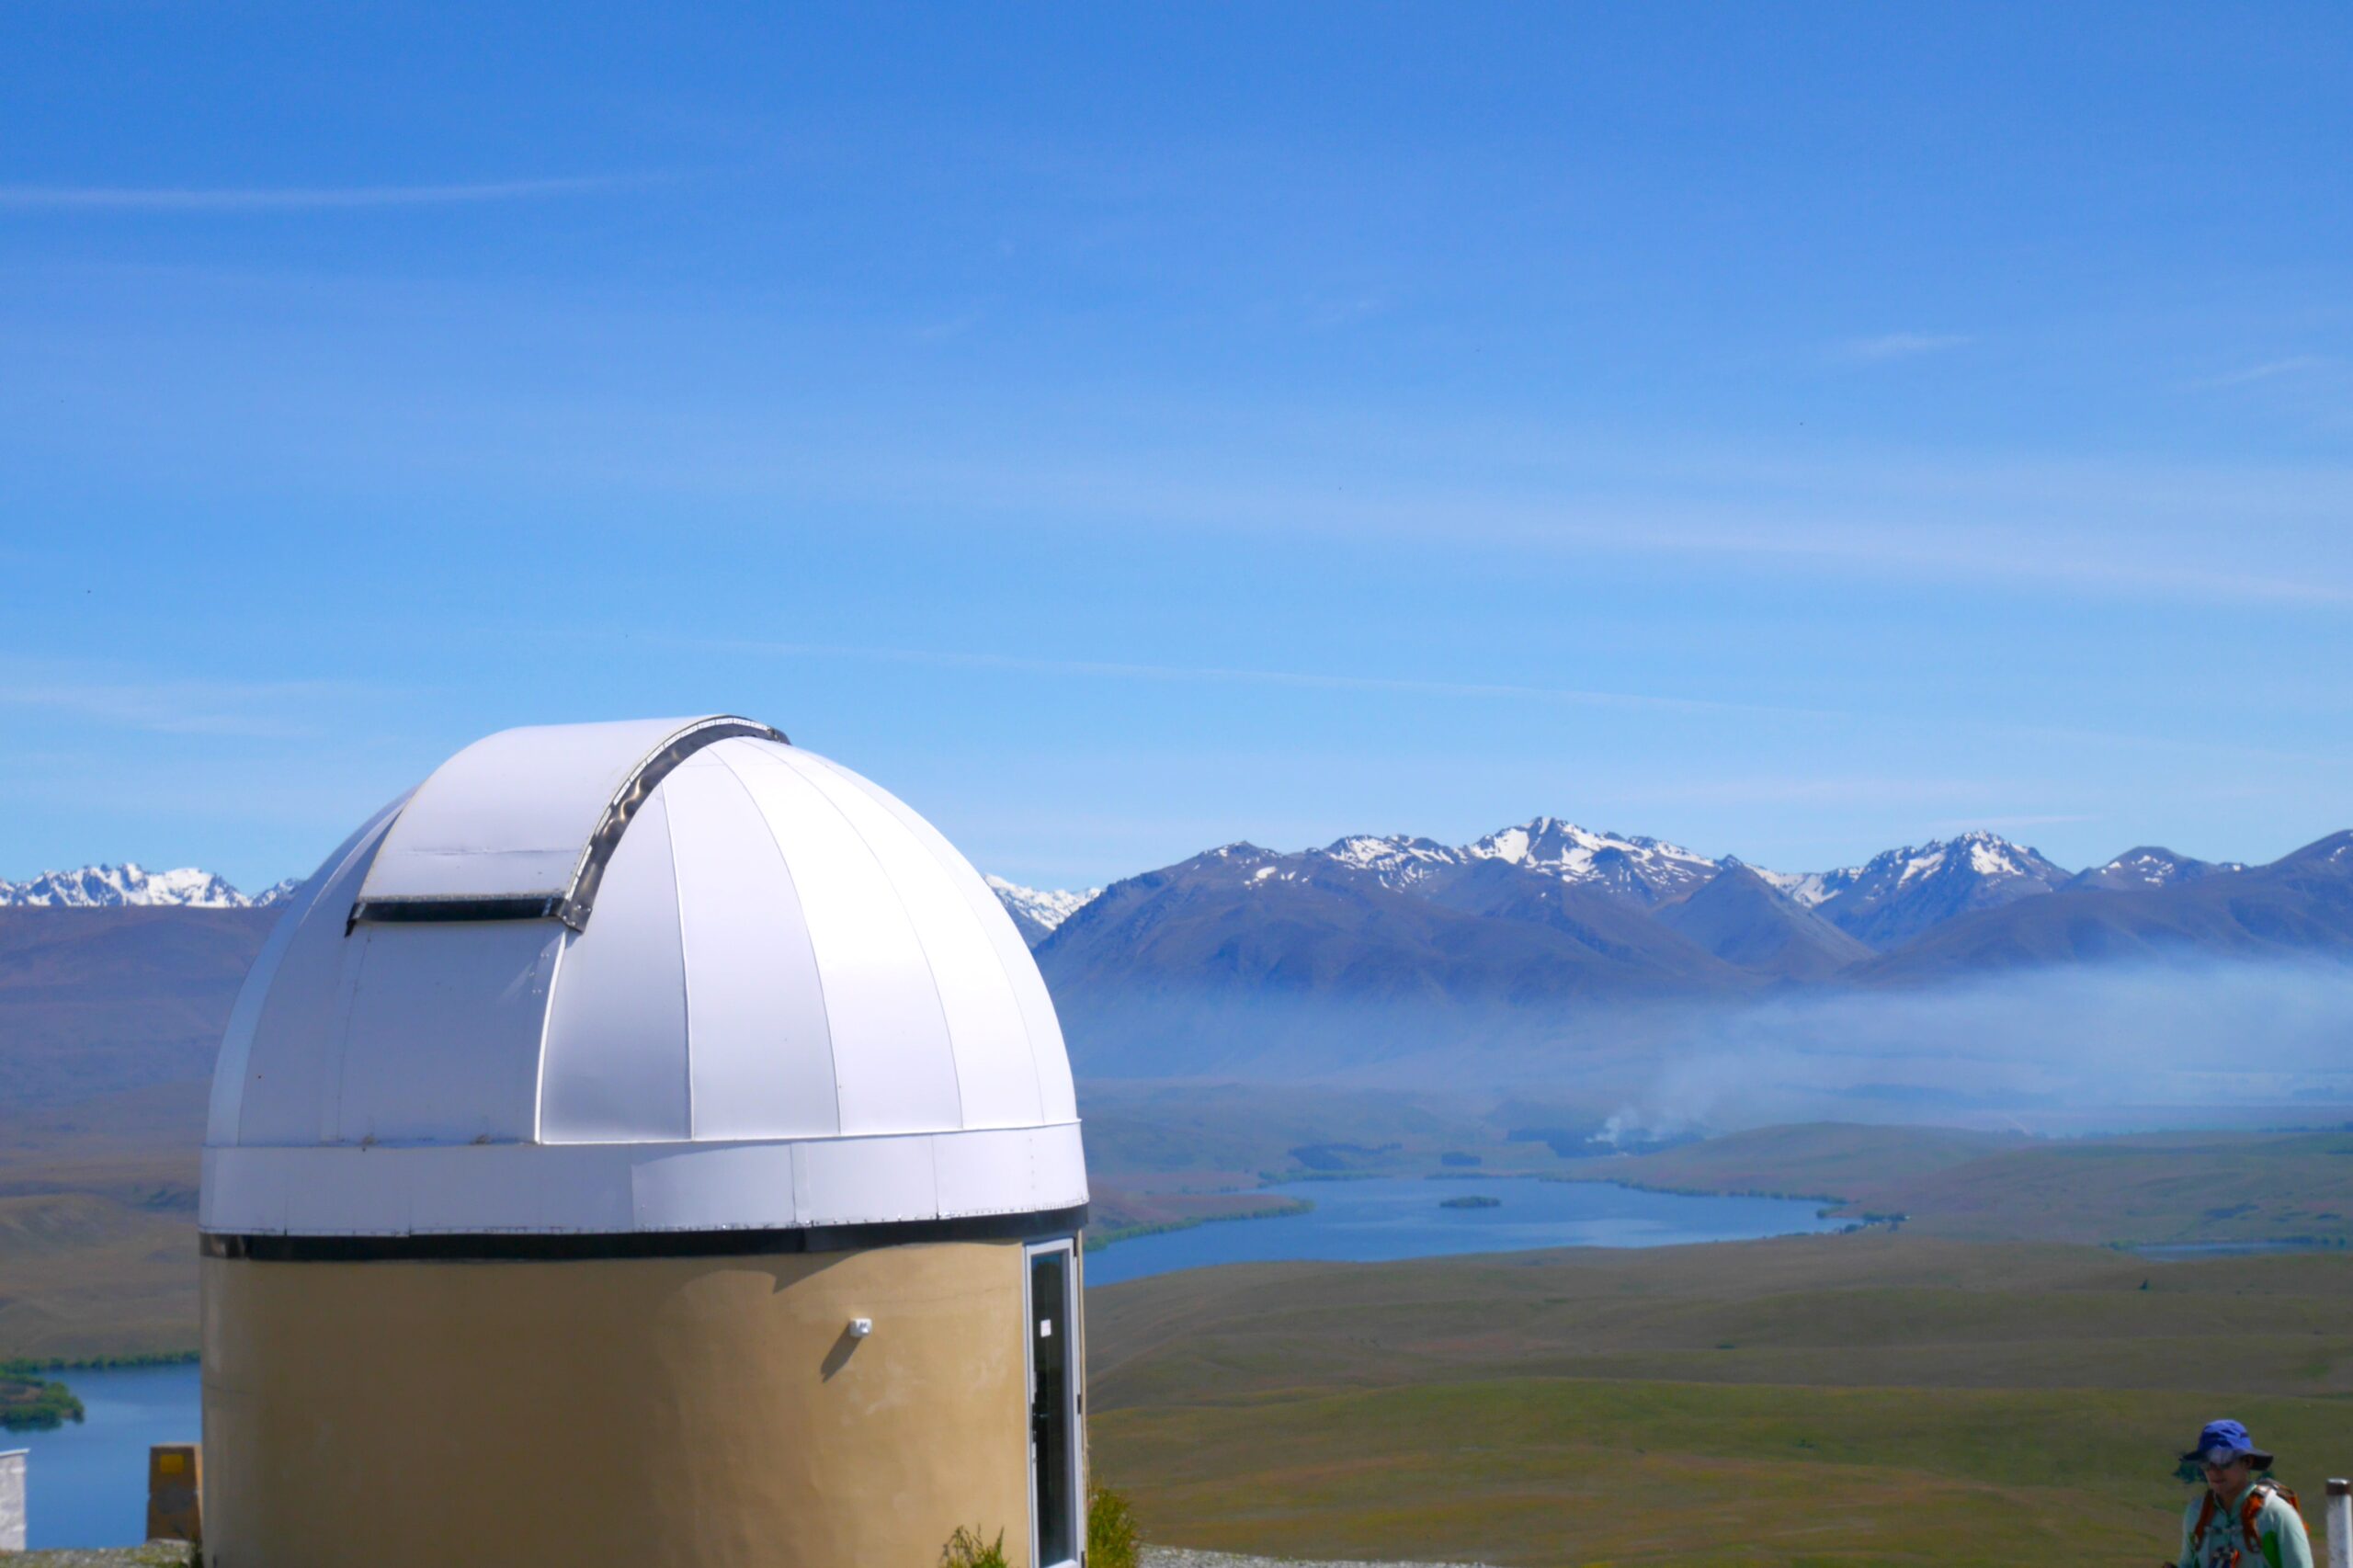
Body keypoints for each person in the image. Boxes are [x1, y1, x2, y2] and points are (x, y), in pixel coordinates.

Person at [2176, 1419, 2313, 1568]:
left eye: (2223, 1459)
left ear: (2247, 1461)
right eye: (2206, 1462)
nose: (2213, 1470)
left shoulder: (2277, 1515)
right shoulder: (2196, 1513)